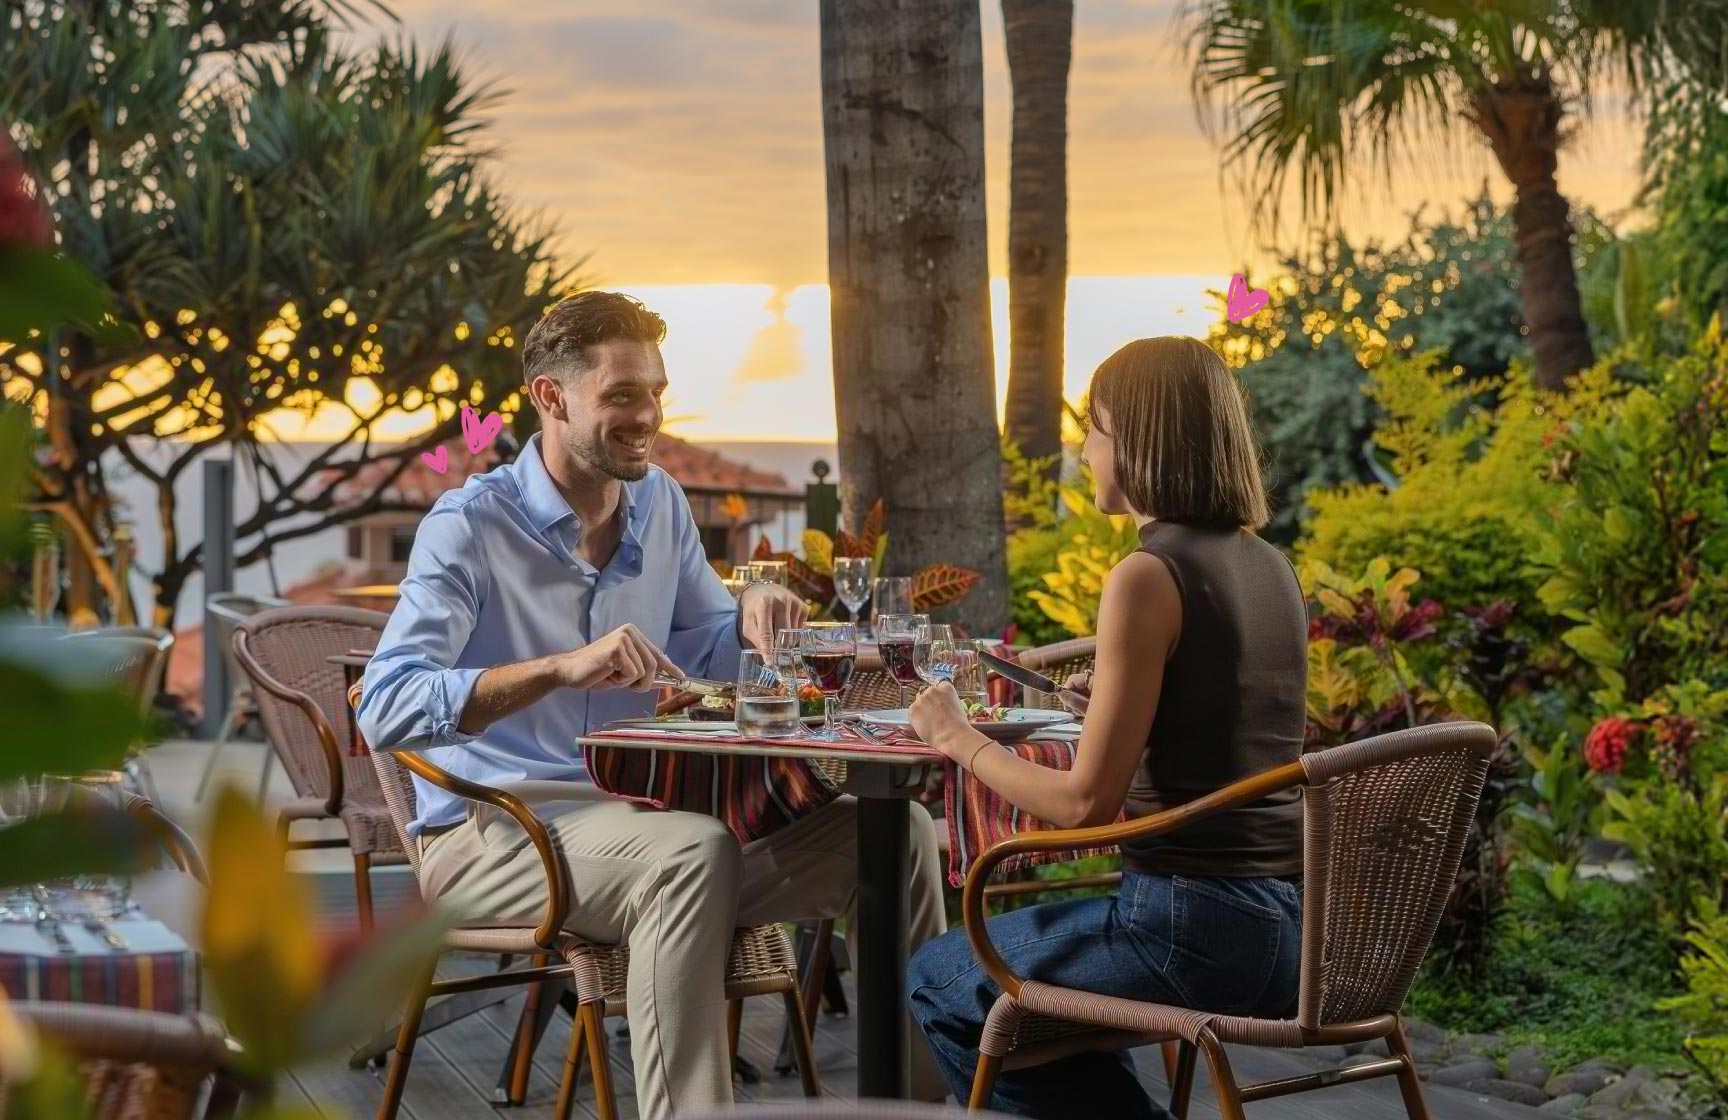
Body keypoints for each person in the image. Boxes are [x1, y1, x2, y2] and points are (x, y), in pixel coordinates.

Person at [358, 291, 947, 1119]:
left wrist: (750, 619)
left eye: (657, 392)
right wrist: (560, 668)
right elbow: (384, 705)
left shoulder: (662, 502)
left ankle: (919, 1107)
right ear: (550, 399)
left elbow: (704, 649)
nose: (649, 417)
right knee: (691, 851)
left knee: (895, 835)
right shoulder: (469, 526)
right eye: (623, 395)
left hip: (648, 830)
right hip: (495, 836)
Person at [905, 336, 1307, 1118]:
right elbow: (1227, 727)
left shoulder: (1146, 576)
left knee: (941, 980)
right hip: (1286, 928)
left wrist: (957, 737)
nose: (1083, 449)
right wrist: (1116, 713)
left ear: (1139, 439)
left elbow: (1085, 806)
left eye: (1094, 428)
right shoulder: (1269, 566)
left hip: (1191, 931)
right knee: (990, 1000)